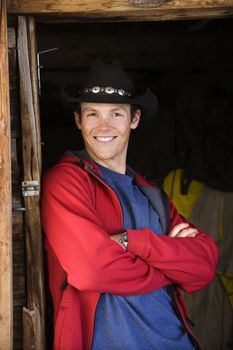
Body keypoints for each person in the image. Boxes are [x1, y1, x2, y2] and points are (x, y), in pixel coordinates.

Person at [41, 59, 219, 350]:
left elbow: (203, 266)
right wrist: (169, 267)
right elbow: (91, 270)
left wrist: (129, 242)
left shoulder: (151, 194)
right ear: (78, 120)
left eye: (116, 114)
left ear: (134, 119)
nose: (104, 126)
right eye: (92, 114)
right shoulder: (66, 181)